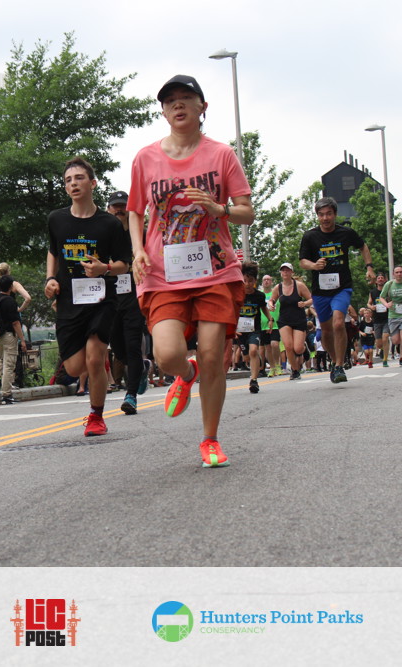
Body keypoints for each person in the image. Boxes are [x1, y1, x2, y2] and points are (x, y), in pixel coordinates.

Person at [128, 75, 253, 467]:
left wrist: (219, 209)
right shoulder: (146, 158)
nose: (178, 105)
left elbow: (247, 212)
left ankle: (210, 439)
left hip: (215, 271)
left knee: (214, 355)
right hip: (164, 275)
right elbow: (135, 211)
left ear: (202, 107)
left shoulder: (222, 155)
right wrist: (137, 250)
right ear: (164, 112)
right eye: (170, 101)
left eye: (186, 98)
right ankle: (186, 372)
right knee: (166, 355)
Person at [46, 157, 130, 436]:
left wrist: (104, 269)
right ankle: (96, 364)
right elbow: (53, 251)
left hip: (101, 299)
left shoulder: (109, 224)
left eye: (79, 178)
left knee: (94, 359)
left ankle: (96, 416)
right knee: (73, 367)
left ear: (92, 183)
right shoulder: (56, 219)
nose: (73, 184)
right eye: (68, 180)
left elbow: (124, 264)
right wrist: (50, 280)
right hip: (69, 301)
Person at [298, 196, 375, 383]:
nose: (325, 218)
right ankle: (334, 361)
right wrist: (314, 265)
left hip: (342, 287)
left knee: (339, 323)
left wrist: (369, 267)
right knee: (325, 331)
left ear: (335, 214)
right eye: (321, 215)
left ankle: (340, 365)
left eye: (329, 214)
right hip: (320, 290)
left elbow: (363, 246)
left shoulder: (345, 233)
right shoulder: (310, 236)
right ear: (317, 216)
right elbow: (302, 261)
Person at [104, 190, 149, 415]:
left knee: (132, 345)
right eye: (115, 206)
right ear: (108, 209)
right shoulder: (102, 234)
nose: (119, 210)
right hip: (110, 296)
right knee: (118, 348)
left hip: (134, 295)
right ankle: (141, 368)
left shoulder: (141, 234)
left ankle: (130, 396)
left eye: (123, 206)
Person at [268, 262, 313, 379]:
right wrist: (271, 304)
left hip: (299, 319)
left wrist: (304, 303)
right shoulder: (278, 287)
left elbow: (311, 299)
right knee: (288, 346)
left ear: (291, 272)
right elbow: (271, 300)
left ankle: (304, 349)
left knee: (297, 348)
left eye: (287, 270)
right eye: (283, 270)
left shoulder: (299, 286)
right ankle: (295, 370)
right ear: (280, 273)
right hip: (284, 320)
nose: (285, 272)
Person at [238, 261, 274, 394]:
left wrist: (270, 319)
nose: (247, 284)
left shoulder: (259, 295)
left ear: (255, 281)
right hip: (240, 331)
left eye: (250, 281)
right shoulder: (237, 294)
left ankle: (254, 380)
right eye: (245, 281)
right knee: (246, 357)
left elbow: (264, 308)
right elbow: (231, 310)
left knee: (253, 350)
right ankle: (252, 359)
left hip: (255, 329)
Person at [0, 275, 26, 405]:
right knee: (9, 364)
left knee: (1, 359)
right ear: (11, 286)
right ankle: (6, 394)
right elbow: (15, 322)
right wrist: (22, 340)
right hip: (9, 335)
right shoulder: (10, 301)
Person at [260, 273, 282, 377]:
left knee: (275, 344)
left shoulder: (275, 294)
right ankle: (272, 367)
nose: (266, 281)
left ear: (271, 282)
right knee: (267, 347)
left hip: (275, 324)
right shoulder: (260, 295)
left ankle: (277, 364)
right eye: (264, 280)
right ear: (262, 282)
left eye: (268, 279)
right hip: (263, 324)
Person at [367, 272, 391, 366]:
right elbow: (368, 303)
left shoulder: (388, 291)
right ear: (376, 281)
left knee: (385, 337)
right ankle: (382, 349)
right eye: (379, 278)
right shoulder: (373, 292)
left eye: (382, 278)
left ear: (385, 280)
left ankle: (385, 360)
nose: (380, 279)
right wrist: (371, 307)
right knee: (379, 344)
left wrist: (389, 304)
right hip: (377, 319)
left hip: (387, 318)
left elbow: (393, 300)